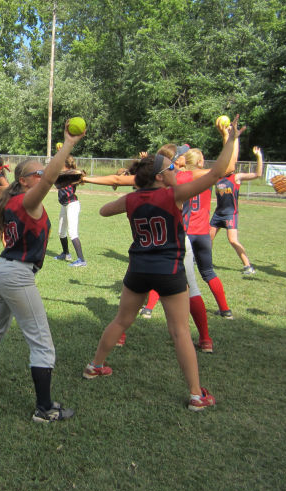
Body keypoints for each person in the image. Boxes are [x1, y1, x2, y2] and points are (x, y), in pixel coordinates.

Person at [83, 117, 245, 411]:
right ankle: (196, 395)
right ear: (159, 177)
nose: (176, 171)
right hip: (169, 271)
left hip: (138, 269)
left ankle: (95, 366)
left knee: (121, 321)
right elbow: (218, 173)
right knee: (180, 331)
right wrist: (231, 139)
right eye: (171, 169)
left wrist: (132, 198)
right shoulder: (174, 194)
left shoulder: (132, 199)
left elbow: (105, 211)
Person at [0, 122, 86, 423]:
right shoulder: (28, 199)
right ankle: (45, 409)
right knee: (41, 342)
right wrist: (68, 143)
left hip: (2, 270)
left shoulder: (10, 200)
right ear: (24, 181)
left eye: (42, 172)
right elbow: (51, 178)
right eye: (37, 173)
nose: (42, 176)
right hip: (16, 274)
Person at [82, 144, 215, 354]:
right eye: (172, 164)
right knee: (187, 300)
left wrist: (86, 179)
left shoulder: (147, 188)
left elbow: (112, 192)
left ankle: (114, 343)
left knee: (135, 297)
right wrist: (230, 140)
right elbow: (221, 171)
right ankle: (205, 339)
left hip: (145, 255)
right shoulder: (181, 181)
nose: (175, 166)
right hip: (174, 250)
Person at [180, 147, 236, 319]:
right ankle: (225, 310)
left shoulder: (182, 176)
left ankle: (148, 308)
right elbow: (230, 167)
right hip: (203, 233)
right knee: (208, 272)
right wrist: (230, 139)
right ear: (198, 162)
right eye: (202, 157)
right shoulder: (207, 177)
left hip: (186, 232)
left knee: (168, 269)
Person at [210, 146, 263, 275]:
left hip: (230, 214)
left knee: (233, 240)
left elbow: (258, 174)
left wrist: (259, 157)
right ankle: (203, 260)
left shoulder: (236, 177)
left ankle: (248, 266)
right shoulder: (217, 177)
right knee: (208, 238)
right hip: (218, 213)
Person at [54, 156, 87, 267]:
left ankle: (81, 260)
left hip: (72, 204)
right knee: (61, 232)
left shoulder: (72, 175)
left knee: (72, 232)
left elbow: (79, 173)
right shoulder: (62, 175)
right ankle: (66, 254)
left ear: (66, 165)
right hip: (64, 205)